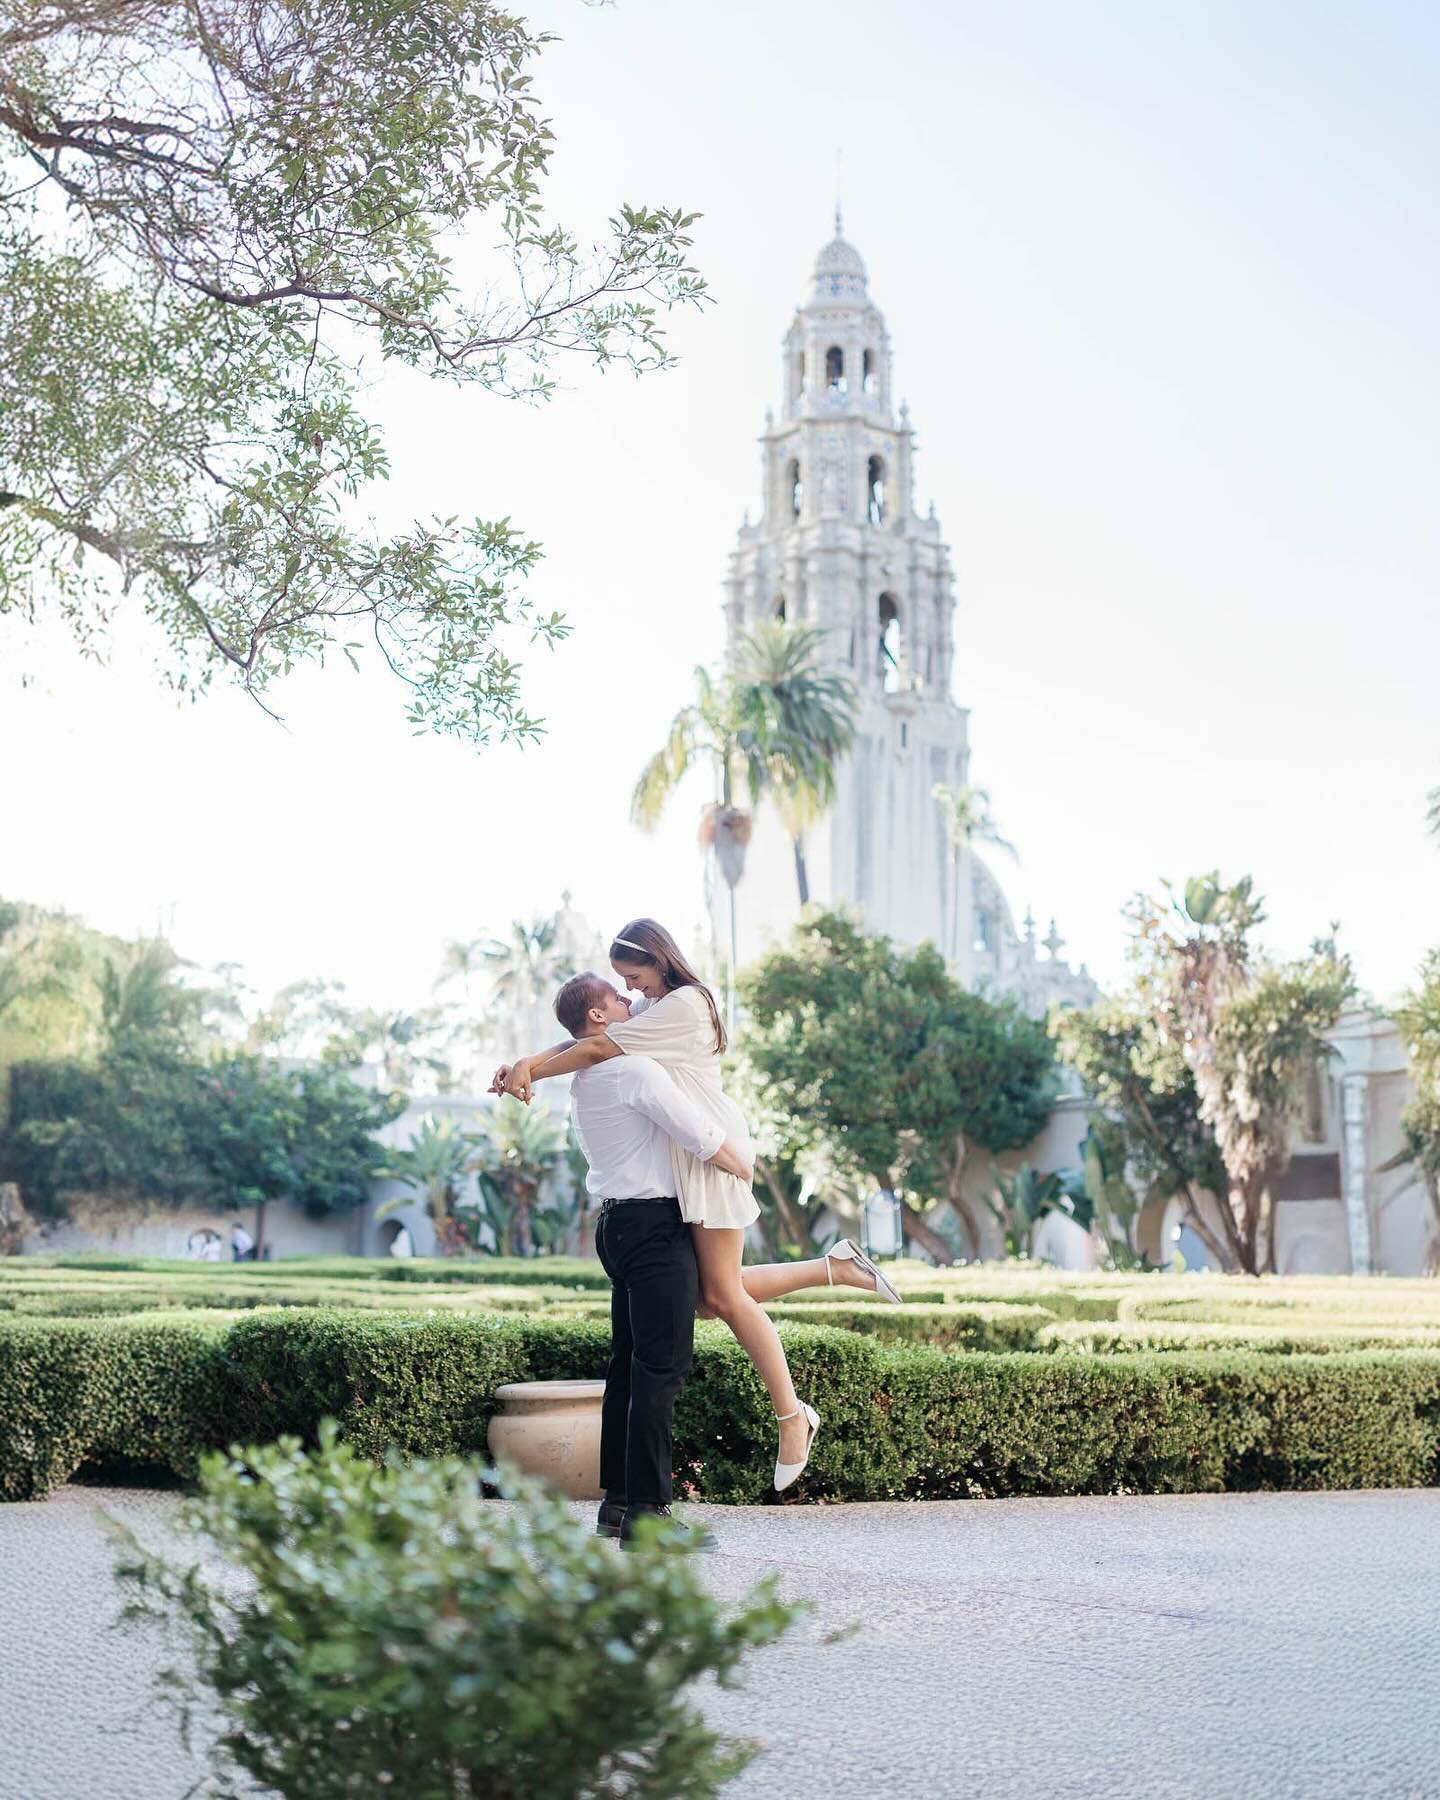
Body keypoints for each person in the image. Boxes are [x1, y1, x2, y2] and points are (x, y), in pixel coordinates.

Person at [492, 917, 902, 1493]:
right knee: (711, 1293)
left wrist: (530, 1066)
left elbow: (598, 1043)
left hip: (711, 1149)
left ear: (660, 961)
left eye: (634, 976)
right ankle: (834, 1268)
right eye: (622, 985)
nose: (633, 990)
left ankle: (792, 1417)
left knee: (721, 1296)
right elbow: (588, 1042)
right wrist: (528, 1063)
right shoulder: (651, 1014)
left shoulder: (685, 1003)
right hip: (690, 1157)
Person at [553, 970, 753, 1551]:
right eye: (619, 998)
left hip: (617, 1225)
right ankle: (648, 1514)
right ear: (598, 1016)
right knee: (660, 1373)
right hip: (655, 1228)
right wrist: (741, 1163)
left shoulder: (584, 1077)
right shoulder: (635, 1069)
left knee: (627, 1368)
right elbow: (697, 1132)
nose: (631, 1001)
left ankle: (617, 1503)